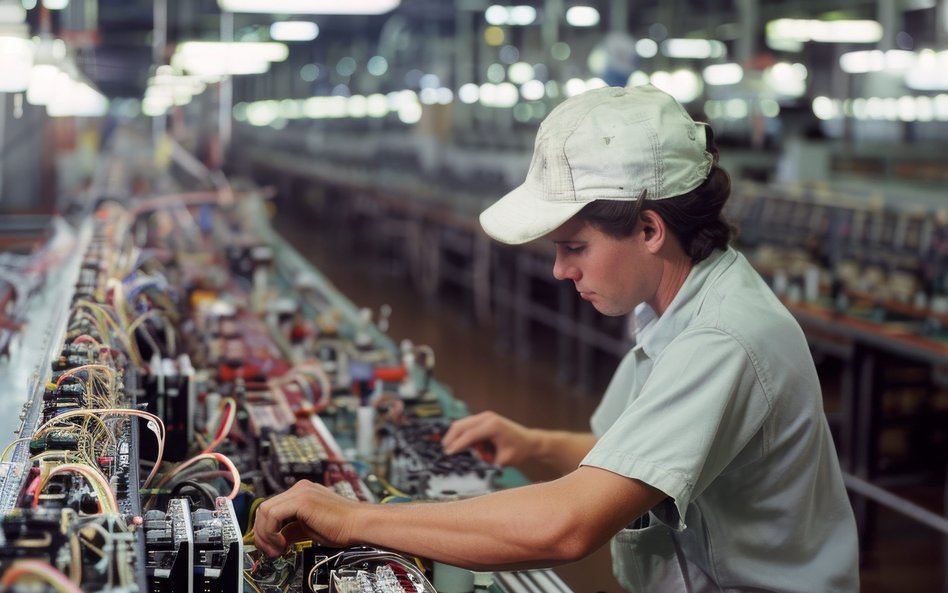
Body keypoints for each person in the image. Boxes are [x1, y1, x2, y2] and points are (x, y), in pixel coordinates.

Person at [254, 85, 860, 592]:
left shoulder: (723, 337)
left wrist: (352, 519)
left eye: (575, 247)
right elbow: (629, 459)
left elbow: (567, 526)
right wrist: (532, 442)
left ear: (649, 228)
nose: (560, 271)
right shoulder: (678, 304)